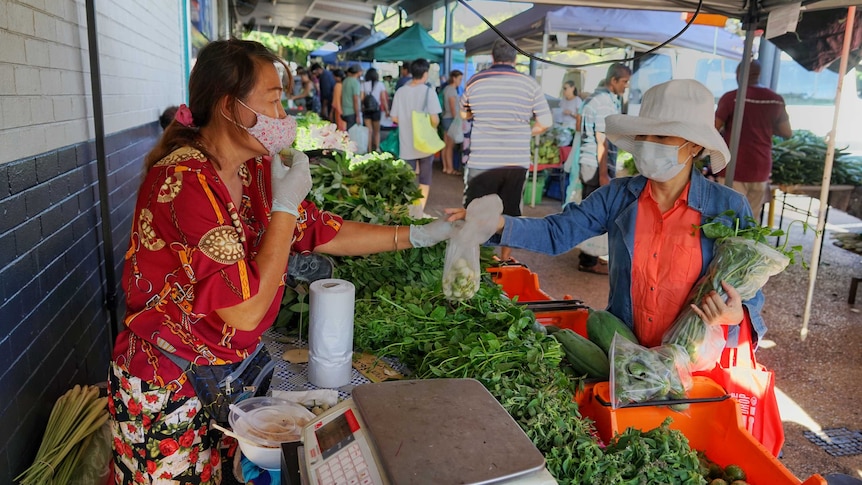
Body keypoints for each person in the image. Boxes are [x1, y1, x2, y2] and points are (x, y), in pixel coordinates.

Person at [108, 38, 454, 483]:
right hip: (169, 385)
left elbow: (322, 230)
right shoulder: (185, 182)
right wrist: (285, 207)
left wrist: (419, 235)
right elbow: (247, 310)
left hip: (223, 373)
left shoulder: (253, 170)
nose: (282, 116)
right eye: (273, 100)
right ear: (230, 106)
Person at [445, 79, 765, 353]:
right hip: (627, 352)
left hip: (695, 356)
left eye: (662, 137)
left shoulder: (728, 209)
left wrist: (736, 315)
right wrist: (497, 224)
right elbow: (558, 232)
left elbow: (748, 291)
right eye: (645, 136)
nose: (649, 145)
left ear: (695, 146)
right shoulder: (619, 196)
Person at [460, 38, 552, 262]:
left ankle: (477, 260)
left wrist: (478, 115)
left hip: (482, 160)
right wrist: (525, 132)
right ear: (516, 57)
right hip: (515, 160)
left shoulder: (475, 81)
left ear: (492, 57)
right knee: (510, 211)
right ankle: (505, 259)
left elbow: (464, 114)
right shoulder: (529, 84)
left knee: (475, 211)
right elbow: (546, 121)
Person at [715, 59, 793, 221]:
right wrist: (766, 127)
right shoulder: (775, 99)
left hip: (734, 167)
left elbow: (713, 128)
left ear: (739, 75)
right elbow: (787, 132)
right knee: (751, 219)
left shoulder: (731, 98)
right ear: (759, 75)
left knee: (728, 219)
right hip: (761, 167)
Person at [576, 62, 632, 274]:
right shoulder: (603, 103)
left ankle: (589, 257)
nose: (626, 86)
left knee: (592, 210)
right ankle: (588, 261)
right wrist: (603, 175)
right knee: (595, 212)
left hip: (589, 161)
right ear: (613, 80)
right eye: (624, 82)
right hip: (594, 164)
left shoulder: (594, 98)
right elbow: (602, 141)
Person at [390, 58, 442, 213]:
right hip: (424, 144)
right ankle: (419, 212)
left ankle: (406, 212)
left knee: (407, 180)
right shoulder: (429, 91)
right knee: (424, 180)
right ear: (425, 74)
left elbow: (394, 118)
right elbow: (435, 119)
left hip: (406, 143)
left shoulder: (401, 91)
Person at [440, 70, 463, 175]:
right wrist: (457, 120)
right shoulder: (452, 90)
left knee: (445, 145)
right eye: (460, 79)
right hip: (450, 119)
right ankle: (450, 168)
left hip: (445, 118)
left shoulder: (446, 89)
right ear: (454, 78)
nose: (460, 82)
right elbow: (453, 108)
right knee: (450, 146)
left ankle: (445, 167)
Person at [362, 67, 389, 152]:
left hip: (366, 110)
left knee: (369, 131)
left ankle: (369, 149)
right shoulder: (380, 84)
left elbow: (361, 98)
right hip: (376, 110)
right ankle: (377, 148)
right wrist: (387, 110)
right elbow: (383, 99)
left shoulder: (363, 84)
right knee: (376, 131)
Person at [341, 64, 362, 129]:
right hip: (352, 112)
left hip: (345, 111)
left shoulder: (345, 81)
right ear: (358, 72)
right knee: (353, 135)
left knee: (348, 132)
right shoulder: (355, 83)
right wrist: (358, 115)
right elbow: (355, 99)